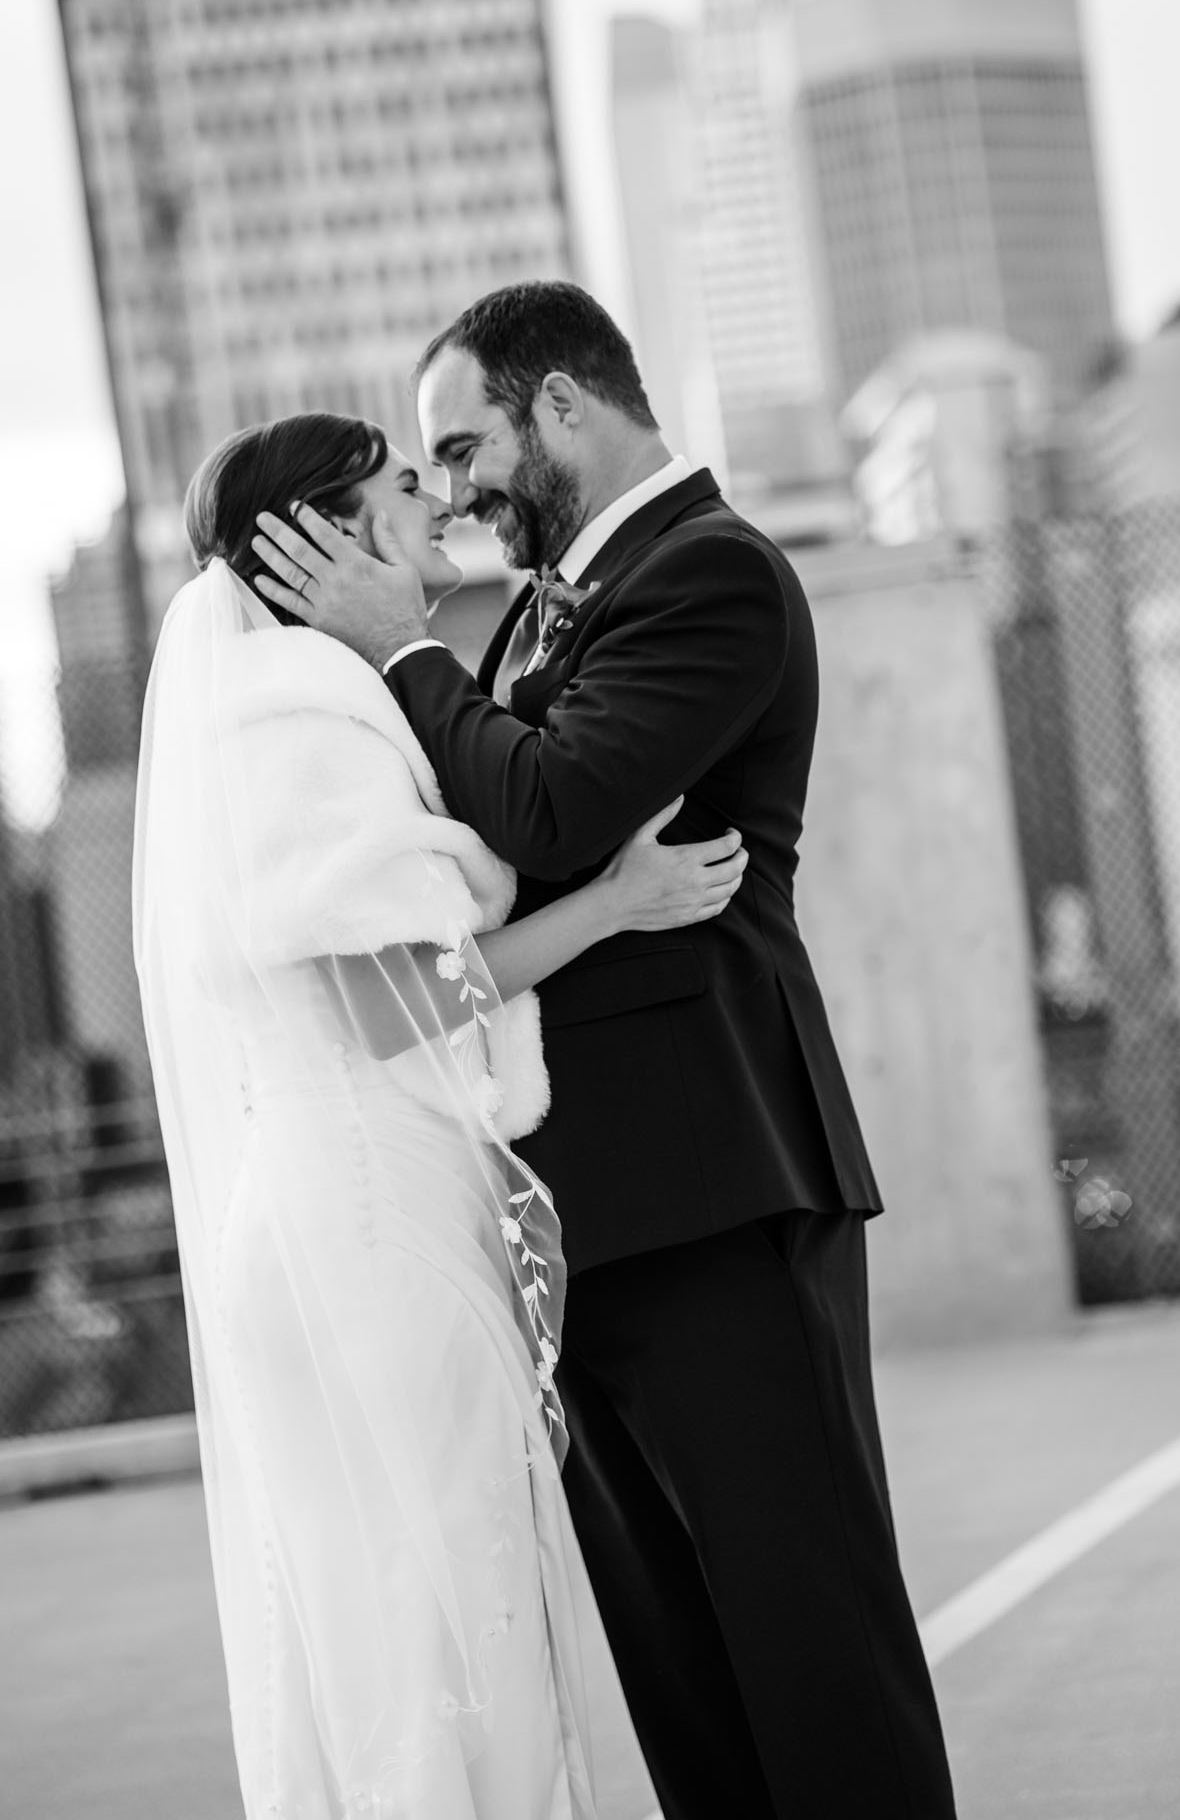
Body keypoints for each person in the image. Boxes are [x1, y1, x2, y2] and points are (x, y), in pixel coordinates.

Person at [252, 284, 957, 1820]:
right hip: (577, 1227)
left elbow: (555, 808)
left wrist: (399, 653)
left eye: (465, 444)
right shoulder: (548, 606)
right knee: (686, 1685)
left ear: (563, 403)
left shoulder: (709, 573)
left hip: (714, 1190)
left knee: (810, 1654)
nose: (449, 491)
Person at [133, 411, 747, 1820]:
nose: (439, 500)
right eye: (404, 487)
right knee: (448, 1615)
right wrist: (613, 905)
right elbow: (383, 1001)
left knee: (404, 1615)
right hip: (372, 1215)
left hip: (346, 1205)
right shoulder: (299, 708)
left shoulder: (296, 701)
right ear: (327, 537)